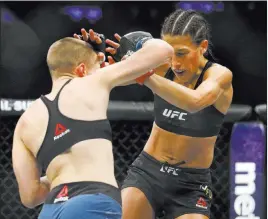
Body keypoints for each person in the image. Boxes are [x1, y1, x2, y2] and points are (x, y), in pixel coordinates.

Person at [12, 28, 174, 219]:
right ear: (81, 69)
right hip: (92, 203)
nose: (103, 69)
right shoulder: (92, 82)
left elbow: (30, 196)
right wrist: (134, 45)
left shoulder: (25, 120)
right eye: (99, 66)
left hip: (50, 211)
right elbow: (163, 50)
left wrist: (59, 173)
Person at [105, 9, 233, 219]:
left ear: (202, 47)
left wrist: (144, 75)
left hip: (191, 184)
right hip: (148, 172)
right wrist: (100, 54)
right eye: (169, 53)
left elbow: (195, 102)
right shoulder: (161, 66)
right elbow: (112, 78)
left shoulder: (219, 75)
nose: (175, 62)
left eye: (182, 53)